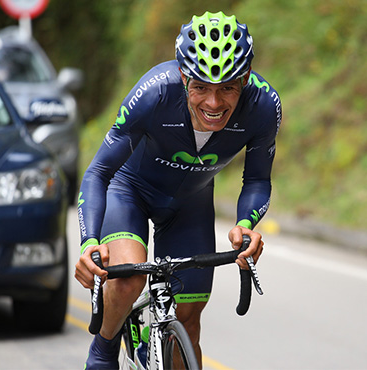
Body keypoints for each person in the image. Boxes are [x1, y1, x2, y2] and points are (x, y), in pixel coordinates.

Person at [75, 10, 281, 369]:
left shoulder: (263, 106)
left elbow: (258, 180)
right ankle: (104, 349)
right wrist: (89, 242)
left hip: (190, 204)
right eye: (201, 86)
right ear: (184, 76)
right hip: (130, 192)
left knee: (187, 322)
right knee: (127, 278)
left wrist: (246, 224)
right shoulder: (155, 93)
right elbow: (98, 172)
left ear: (245, 79)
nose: (213, 104)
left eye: (228, 88)